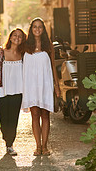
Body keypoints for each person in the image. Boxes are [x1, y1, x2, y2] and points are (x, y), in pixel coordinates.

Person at [22, 17, 60, 156]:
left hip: (45, 83)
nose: (37, 29)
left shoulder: (48, 46)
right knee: (35, 114)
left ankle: (45, 146)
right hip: (31, 85)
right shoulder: (25, 46)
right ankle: (37, 146)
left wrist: (56, 86)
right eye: (35, 27)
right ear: (31, 29)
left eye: (40, 27)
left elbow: (53, 66)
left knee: (45, 115)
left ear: (43, 30)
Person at [0, 28, 26, 156]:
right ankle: (6, 138)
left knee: (13, 120)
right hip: (3, 91)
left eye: (20, 36)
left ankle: (10, 144)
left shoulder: (24, 54)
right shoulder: (1, 52)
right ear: (10, 37)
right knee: (3, 119)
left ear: (22, 39)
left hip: (18, 91)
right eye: (15, 35)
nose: (17, 38)